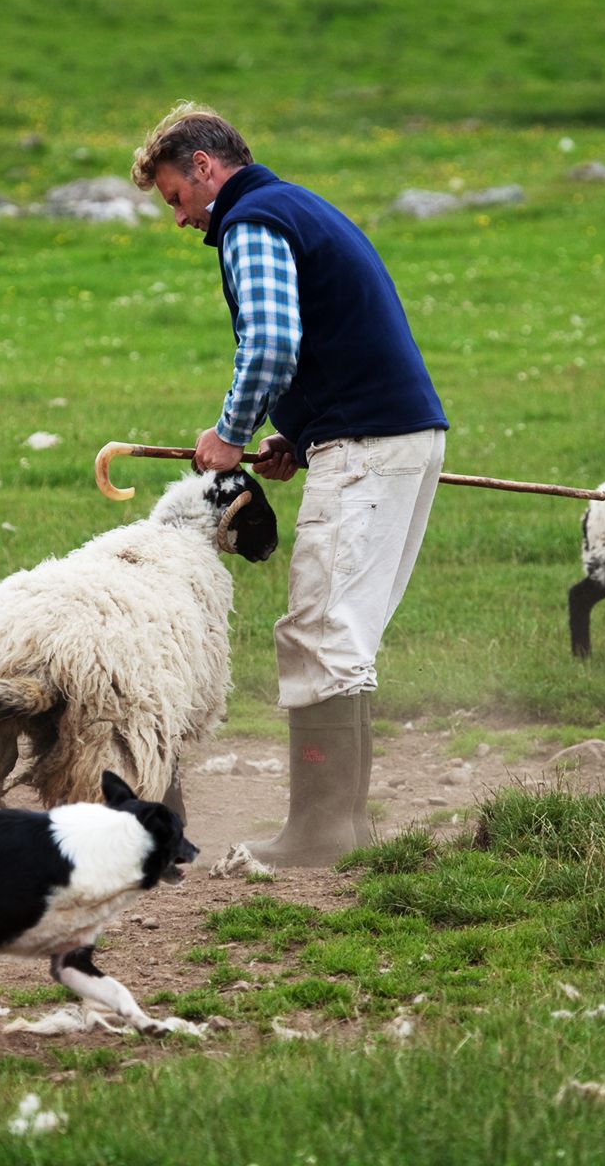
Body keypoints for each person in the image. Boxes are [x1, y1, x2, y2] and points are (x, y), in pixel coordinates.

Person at [131, 102, 448, 867]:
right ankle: (349, 828)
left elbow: (274, 340)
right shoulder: (297, 204)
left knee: (321, 629)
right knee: (345, 631)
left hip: (370, 444)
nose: (179, 218)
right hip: (390, 435)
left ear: (205, 168)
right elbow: (331, 340)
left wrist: (231, 437)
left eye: (176, 196)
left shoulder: (251, 220)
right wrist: (299, 441)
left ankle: (319, 835)